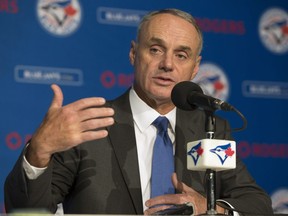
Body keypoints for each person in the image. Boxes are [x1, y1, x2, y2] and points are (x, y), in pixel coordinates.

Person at [5, 8, 273, 215]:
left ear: (195, 68)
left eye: (181, 55)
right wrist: (39, 151)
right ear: (134, 54)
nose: (167, 64)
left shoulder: (209, 129)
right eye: (155, 49)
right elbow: (27, 210)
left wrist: (213, 208)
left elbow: (257, 204)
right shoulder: (91, 124)